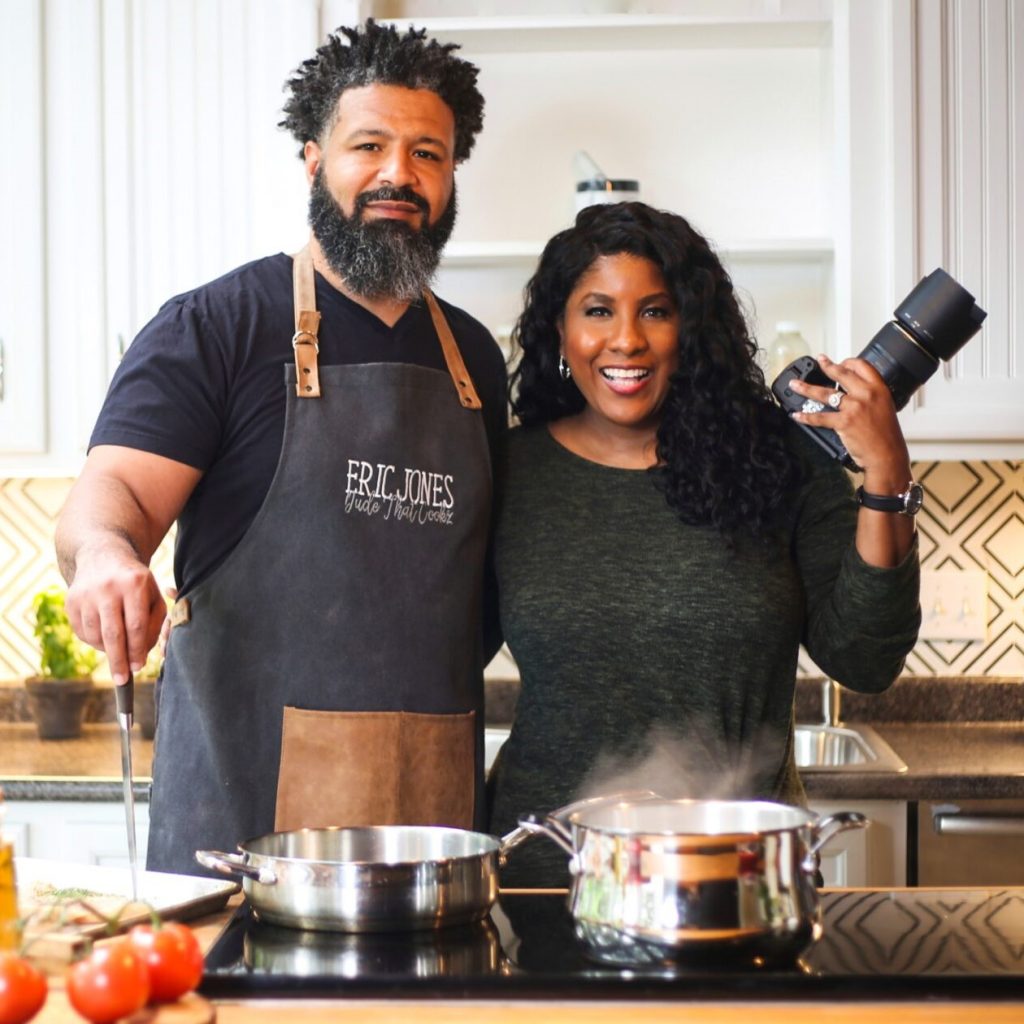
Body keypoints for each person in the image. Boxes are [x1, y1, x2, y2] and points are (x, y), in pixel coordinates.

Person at [55, 21, 507, 875]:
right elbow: (109, 492)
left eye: (427, 153)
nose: (396, 175)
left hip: (430, 839)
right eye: (367, 144)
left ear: (450, 176)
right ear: (312, 157)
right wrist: (106, 556)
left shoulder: (476, 362)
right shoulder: (218, 327)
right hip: (240, 836)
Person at [487, 202, 920, 887]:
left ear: (693, 329)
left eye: (656, 311)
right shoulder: (508, 472)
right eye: (598, 310)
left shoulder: (779, 461)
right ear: (559, 332)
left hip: (743, 872)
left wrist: (886, 474)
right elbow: (438, 656)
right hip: (547, 872)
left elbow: (865, 659)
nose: (626, 340)